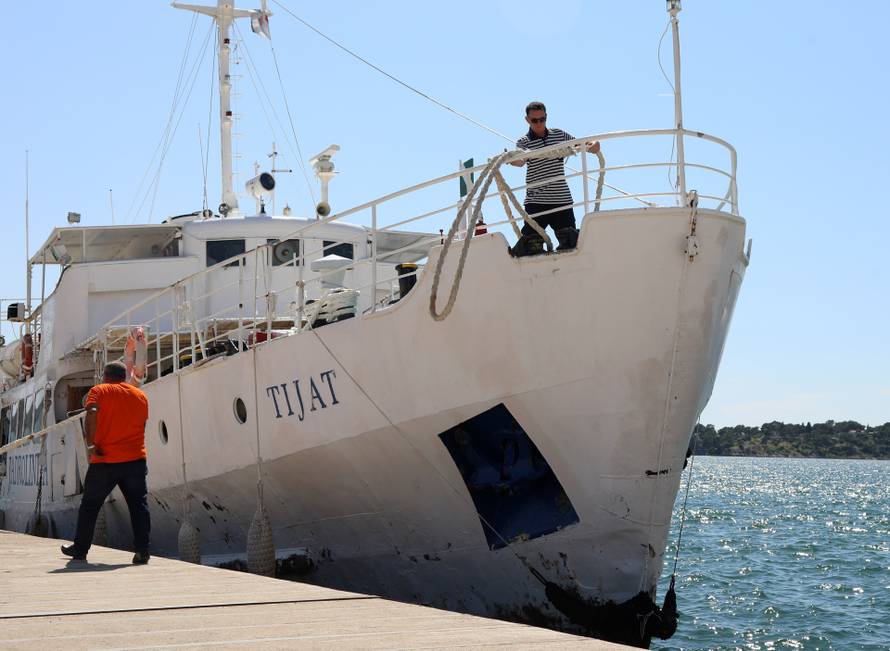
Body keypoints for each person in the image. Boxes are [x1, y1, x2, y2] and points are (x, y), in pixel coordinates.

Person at [61, 361, 151, 564]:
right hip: (135, 460)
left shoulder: (99, 391)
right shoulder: (140, 395)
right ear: (124, 376)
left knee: (90, 506)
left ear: (105, 376)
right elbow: (142, 425)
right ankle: (143, 551)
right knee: (139, 506)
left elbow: (92, 411)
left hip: (105, 460)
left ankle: (80, 549)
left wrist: (91, 445)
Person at [510, 101, 600, 255]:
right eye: (535, 120)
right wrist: (512, 159)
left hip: (561, 200)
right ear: (527, 120)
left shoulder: (559, 135)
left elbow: (583, 145)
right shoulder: (524, 142)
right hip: (536, 202)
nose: (539, 123)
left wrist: (594, 144)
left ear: (546, 116)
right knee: (531, 247)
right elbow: (519, 161)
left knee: (572, 244)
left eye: (542, 119)